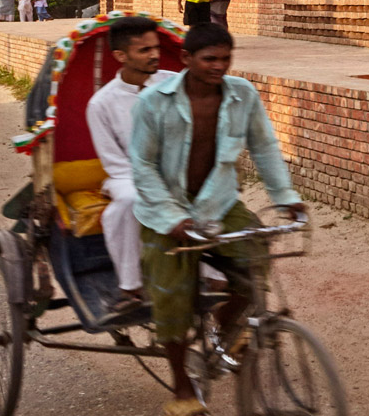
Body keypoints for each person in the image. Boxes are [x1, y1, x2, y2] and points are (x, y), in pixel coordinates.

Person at [129, 22, 305, 416]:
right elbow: (141, 166)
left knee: (256, 255)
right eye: (210, 59)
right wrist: (172, 217)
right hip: (166, 210)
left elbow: (264, 147)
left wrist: (286, 198)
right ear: (187, 59)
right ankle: (181, 387)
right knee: (172, 300)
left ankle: (227, 335)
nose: (220, 66)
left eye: (226, 58)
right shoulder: (154, 101)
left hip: (218, 202)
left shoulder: (242, 95)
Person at [87, 17, 180, 313]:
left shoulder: (174, 84)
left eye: (155, 48)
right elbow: (114, 163)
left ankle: (213, 278)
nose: (154, 55)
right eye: (144, 50)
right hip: (128, 176)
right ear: (120, 56)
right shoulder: (101, 103)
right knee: (129, 202)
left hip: (176, 170)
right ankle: (131, 287)